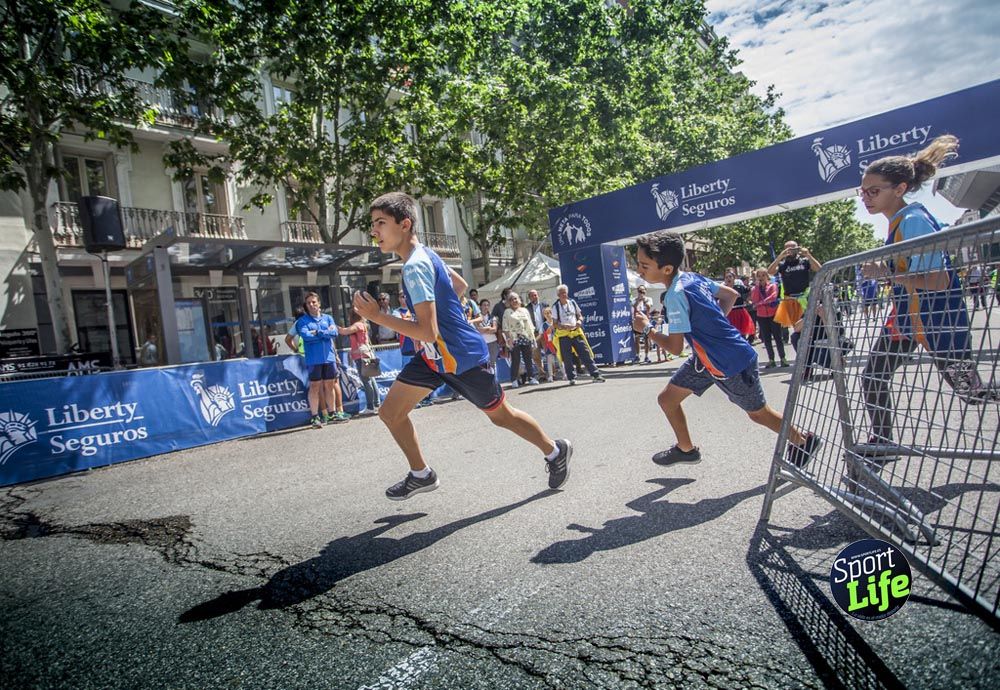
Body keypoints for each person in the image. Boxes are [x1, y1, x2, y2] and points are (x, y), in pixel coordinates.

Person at [355, 191, 572, 500]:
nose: (373, 231)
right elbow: (459, 286)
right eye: (372, 223)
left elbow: (427, 332)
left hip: (462, 359)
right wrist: (447, 319)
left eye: (380, 222)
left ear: (404, 224)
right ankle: (422, 474)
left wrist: (378, 316)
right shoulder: (425, 253)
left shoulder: (415, 267)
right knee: (391, 412)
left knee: (502, 416)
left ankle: (555, 451)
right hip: (435, 358)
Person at [631, 231, 820, 469]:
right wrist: (713, 326)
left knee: (759, 414)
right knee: (667, 399)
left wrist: (646, 329)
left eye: (644, 265)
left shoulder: (675, 295)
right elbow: (730, 295)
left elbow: (675, 347)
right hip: (705, 359)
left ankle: (803, 440)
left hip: (731, 362)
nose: (639, 270)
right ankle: (686, 450)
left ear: (667, 269)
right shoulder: (691, 278)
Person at [858, 135, 997, 445]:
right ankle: (882, 440)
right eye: (863, 191)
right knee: (872, 375)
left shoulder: (914, 221)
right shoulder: (898, 221)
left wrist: (887, 274)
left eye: (873, 191)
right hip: (908, 323)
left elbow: (938, 281)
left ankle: (882, 440)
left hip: (938, 323)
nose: (866, 197)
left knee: (971, 393)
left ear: (900, 189)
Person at [295, 292, 345, 427]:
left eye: (314, 302)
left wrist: (318, 332)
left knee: (329, 386)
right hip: (314, 360)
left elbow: (334, 333)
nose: (312, 305)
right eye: (309, 303)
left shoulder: (328, 318)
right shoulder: (302, 321)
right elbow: (306, 336)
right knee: (315, 387)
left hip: (329, 358)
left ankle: (333, 413)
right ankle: (315, 417)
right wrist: (324, 333)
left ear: (319, 304)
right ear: (306, 305)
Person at [551, 284, 606, 385]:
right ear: (558, 295)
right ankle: (571, 378)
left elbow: (580, 315)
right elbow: (554, 323)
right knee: (567, 357)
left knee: (585, 353)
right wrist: (563, 326)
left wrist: (579, 321)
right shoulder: (555, 307)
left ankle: (596, 375)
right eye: (561, 293)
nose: (564, 294)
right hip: (564, 335)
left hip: (576, 332)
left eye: (565, 292)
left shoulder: (572, 302)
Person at [768, 241, 822, 338]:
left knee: (813, 325)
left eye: (793, 248)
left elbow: (819, 269)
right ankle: (803, 349)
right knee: (799, 329)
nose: (791, 251)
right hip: (792, 301)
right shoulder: (782, 264)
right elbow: (770, 272)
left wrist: (808, 255)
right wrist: (780, 257)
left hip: (807, 298)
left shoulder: (804, 261)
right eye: (788, 249)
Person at [340, 309, 380, 416]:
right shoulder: (363, 324)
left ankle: (371, 407)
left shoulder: (357, 325)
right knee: (371, 380)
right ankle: (376, 405)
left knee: (367, 382)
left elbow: (344, 331)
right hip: (366, 354)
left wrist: (333, 327)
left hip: (361, 356)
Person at [750, 268, 787, 368]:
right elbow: (754, 299)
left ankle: (783, 358)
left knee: (778, 337)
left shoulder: (772, 286)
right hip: (762, 316)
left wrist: (760, 303)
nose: (761, 278)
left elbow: (773, 297)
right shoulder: (754, 289)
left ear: (767, 276)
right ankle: (771, 359)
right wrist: (757, 287)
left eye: (763, 275)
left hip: (773, 314)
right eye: (759, 276)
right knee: (766, 339)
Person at [502, 292, 540, 389]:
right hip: (514, 338)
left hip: (526, 337)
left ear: (519, 300)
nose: (514, 301)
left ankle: (531, 378)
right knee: (516, 360)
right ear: (509, 302)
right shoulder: (507, 312)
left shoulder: (524, 310)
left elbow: (530, 325)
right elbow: (505, 327)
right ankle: (514, 379)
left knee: (528, 359)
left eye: (516, 299)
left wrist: (533, 339)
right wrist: (508, 339)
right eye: (512, 299)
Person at [722, 270, 755, 343]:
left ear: (734, 278)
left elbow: (750, 290)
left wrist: (748, 300)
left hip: (740, 313)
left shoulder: (739, 287)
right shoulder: (722, 289)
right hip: (729, 313)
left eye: (730, 277)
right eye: (726, 277)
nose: (728, 279)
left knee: (742, 334)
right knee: (732, 334)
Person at [539, 306, 564, 380]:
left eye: (549, 313)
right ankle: (550, 376)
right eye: (546, 313)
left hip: (558, 344)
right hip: (549, 345)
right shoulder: (543, 325)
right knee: (550, 361)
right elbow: (541, 334)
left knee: (560, 360)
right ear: (544, 315)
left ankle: (564, 374)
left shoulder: (556, 323)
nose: (548, 314)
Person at [633, 286, 654, 364]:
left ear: (646, 291)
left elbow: (649, 307)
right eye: (640, 291)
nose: (641, 293)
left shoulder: (649, 299)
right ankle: (637, 355)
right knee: (637, 339)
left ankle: (646, 356)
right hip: (637, 322)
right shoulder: (635, 299)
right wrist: (638, 300)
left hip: (646, 321)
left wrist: (644, 300)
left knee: (646, 339)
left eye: (643, 291)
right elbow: (634, 307)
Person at [477, 298, 500, 366]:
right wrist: (488, 328)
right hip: (482, 343)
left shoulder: (492, 317)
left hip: (492, 343)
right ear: (480, 306)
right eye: (484, 305)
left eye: (487, 305)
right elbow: (478, 330)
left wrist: (483, 330)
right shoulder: (476, 317)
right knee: (483, 364)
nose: (486, 307)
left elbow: (494, 329)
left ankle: (493, 376)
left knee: (492, 363)